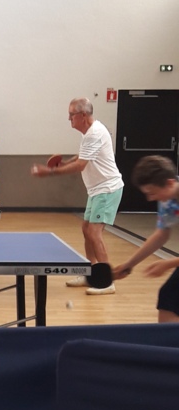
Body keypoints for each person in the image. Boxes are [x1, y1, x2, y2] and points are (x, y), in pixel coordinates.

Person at [31, 97, 123, 295]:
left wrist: (49, 172)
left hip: (107, 189)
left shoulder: (94, 133)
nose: (69, 118)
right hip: (96, 190)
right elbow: (82, 156)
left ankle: (107, 282)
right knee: (86, 229)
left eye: (71, 114)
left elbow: (81, 165)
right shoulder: (89, 133)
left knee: (94, 232)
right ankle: (91, 274)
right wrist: (65, 163)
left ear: (83, 115)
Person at [113, 155, 179, 321]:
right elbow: (161, 234)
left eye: (152, 193)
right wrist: (129, 264)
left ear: (170, 183)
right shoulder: (168, 200)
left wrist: (168, 263)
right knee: (168, 296)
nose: (150, 199)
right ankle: (169, 338)